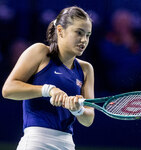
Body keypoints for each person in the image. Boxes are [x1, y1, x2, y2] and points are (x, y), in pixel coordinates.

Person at [2, 6, 94, 150]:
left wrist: (78, 110)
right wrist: (48, 90)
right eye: (79, 33)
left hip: (67, 144)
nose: (84, 40)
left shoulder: (86, 69)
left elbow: (88, 119)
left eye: (88, 35)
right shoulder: (39, 51)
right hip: (36, 142)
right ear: (60, 31)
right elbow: (8, 89)